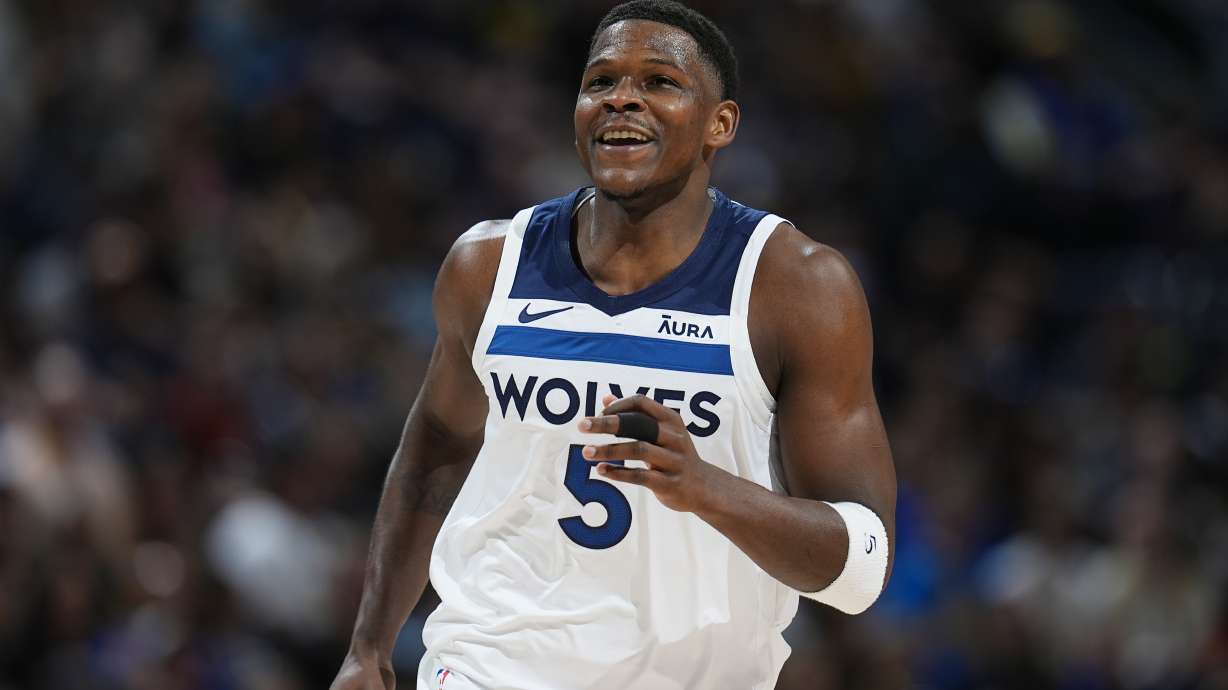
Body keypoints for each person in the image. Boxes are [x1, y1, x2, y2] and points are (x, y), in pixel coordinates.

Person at [330, 2, 896, 688]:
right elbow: (436, 452)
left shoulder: (797, 285)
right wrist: (369, 647)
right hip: (491, 664)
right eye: (600, 82)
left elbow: (862, 570)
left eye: (660, 81)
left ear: (722, 124)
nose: (622, 97)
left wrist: (707, 489)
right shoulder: (488, 264)